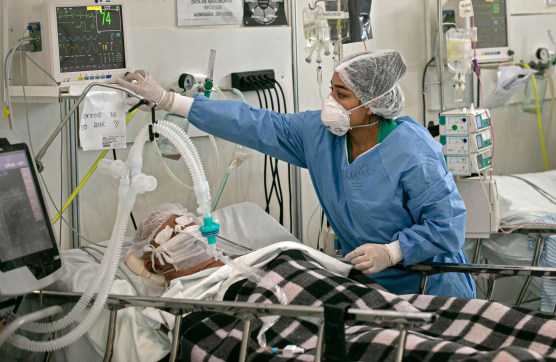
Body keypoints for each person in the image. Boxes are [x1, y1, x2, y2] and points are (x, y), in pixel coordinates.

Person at [118, 50, 476, 298]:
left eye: (342, 95)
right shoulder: (321, 136)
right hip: (368, 286)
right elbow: (253, 123)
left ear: (373, 105)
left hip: (431, 285)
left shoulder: (412, 150)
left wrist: (393, 251)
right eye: (331, 91)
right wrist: (170, 101)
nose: (330, 103)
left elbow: (448, 226)